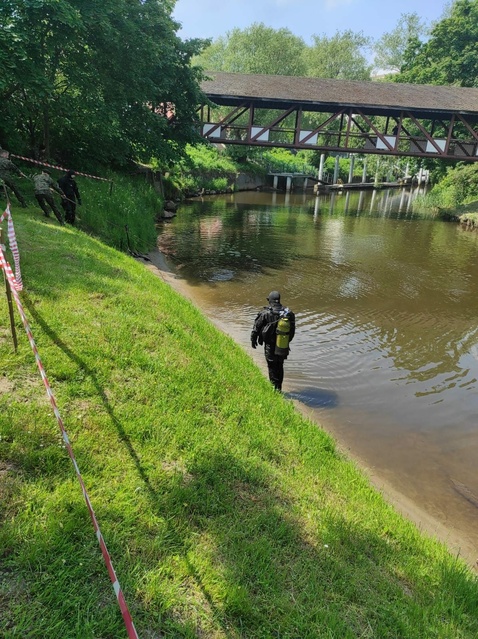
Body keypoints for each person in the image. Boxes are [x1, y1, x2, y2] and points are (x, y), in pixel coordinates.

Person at [251, 291, 296, 392]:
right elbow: (292, 332)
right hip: (282, 345)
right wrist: (286, 342)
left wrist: (253, 340)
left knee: (272, 366)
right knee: (279, 365)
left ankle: (274, 389)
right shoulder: (288, 313)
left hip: (270, 346)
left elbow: (256, 328)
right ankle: (279, 387)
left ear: (270, 300)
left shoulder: (265, 313)